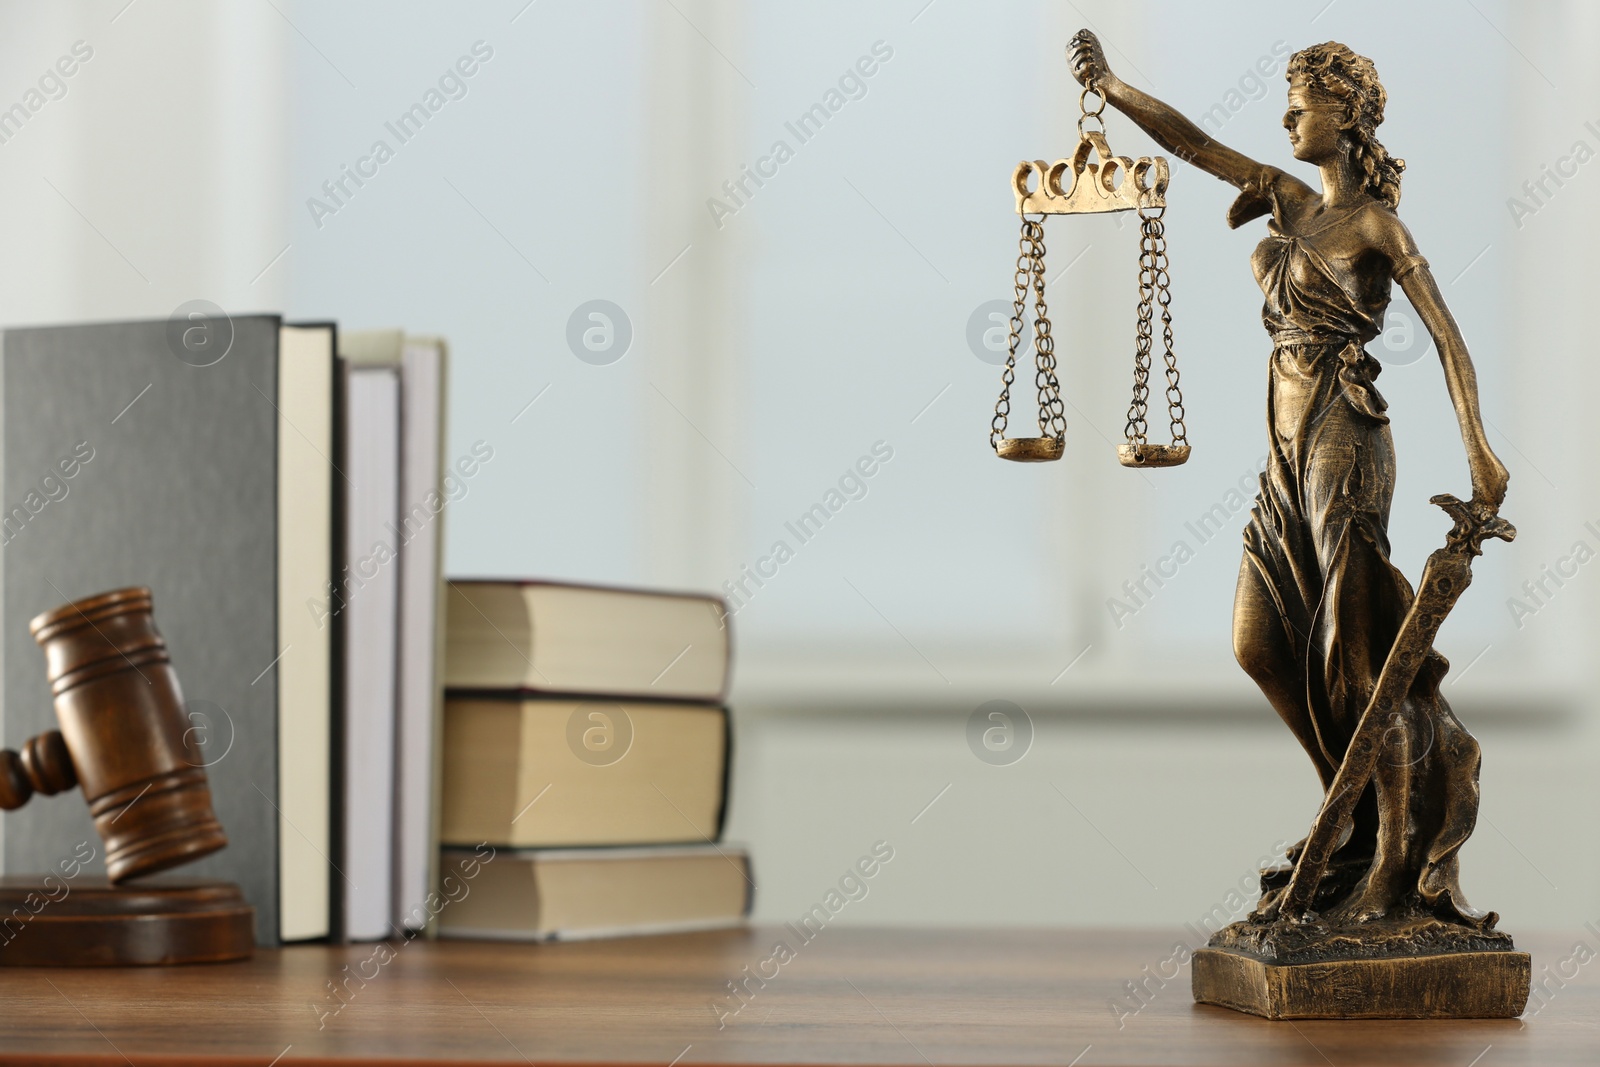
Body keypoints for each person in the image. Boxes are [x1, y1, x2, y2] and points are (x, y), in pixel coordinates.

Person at [1067, 31, 1508, 925]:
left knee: (1355, 656)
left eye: (1301, 103)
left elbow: (1450, 337)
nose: (1287, 116)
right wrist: (1110, 86)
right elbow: (1191, 143)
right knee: (1260, 640)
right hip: (1283, 439)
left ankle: (1389, 861)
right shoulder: (1288, 199)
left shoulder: (1377, 227)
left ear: (1345, 118)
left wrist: (1480, 451)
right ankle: (1342, 819)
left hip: (1345, 433)